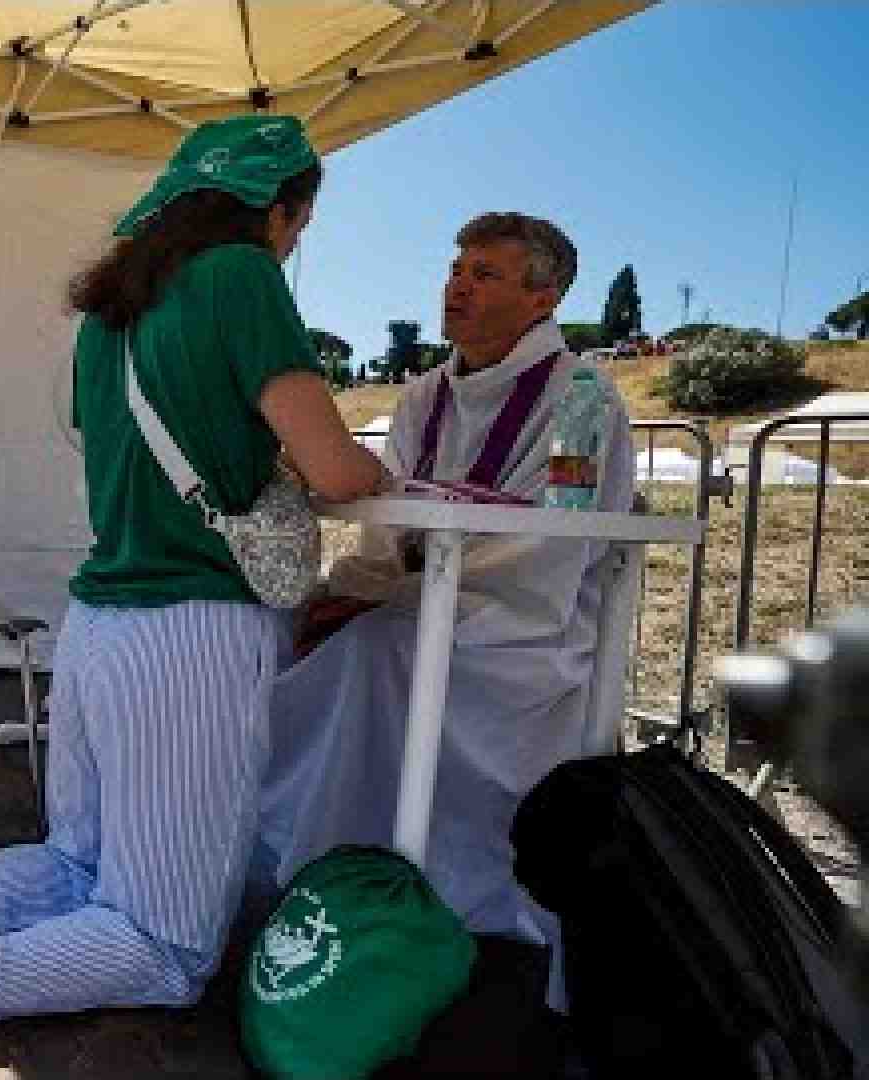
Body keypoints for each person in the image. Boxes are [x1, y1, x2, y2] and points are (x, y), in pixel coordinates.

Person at [0, 117, 390, 1028]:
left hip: (98, 627)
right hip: (194, 633)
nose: (293, 245)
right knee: (165, 945)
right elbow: (334, 472)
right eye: (298, 224)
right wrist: (378, 471)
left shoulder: (110, 314)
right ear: (274, 210)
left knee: (76, 864)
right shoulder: (242, 275)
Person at [255, 213, 635, 1004]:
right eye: (457, 267)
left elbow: (554, 540)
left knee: (373, 649)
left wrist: (390, 598)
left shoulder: (584, 402)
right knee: (293, 642)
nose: (457, 285)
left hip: (526, 626)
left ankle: (347, 872)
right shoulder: (425, 393)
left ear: (544, 298)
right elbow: (387, 520)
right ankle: (312, 863)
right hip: (419, 601)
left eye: (486, 273)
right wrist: (351, 590)